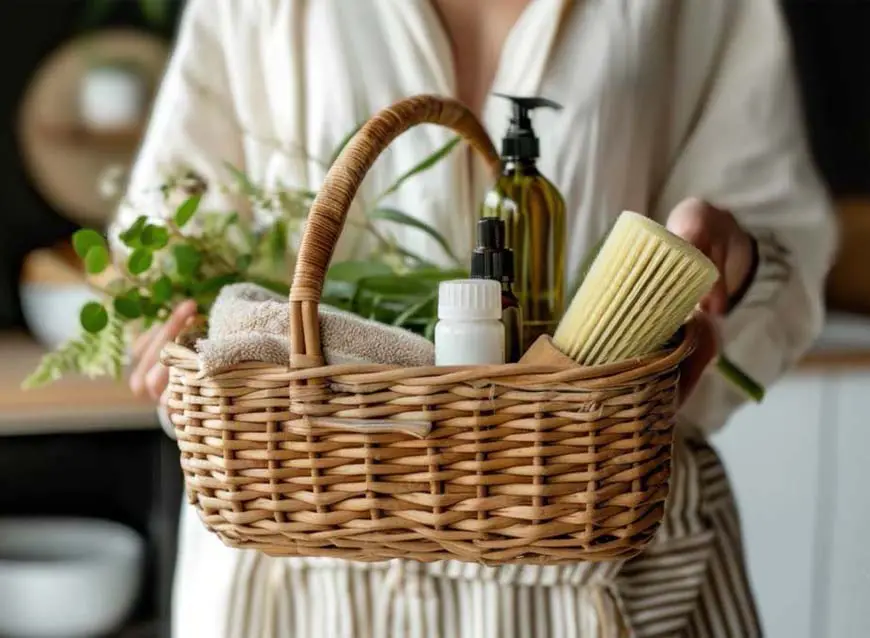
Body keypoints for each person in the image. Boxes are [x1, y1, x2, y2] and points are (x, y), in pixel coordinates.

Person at [118, 1, 837, 636]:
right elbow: (168, 236)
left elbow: (784, 240)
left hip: (583, 549)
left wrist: (727, 267)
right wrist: (180, 334)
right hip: (307, 551)